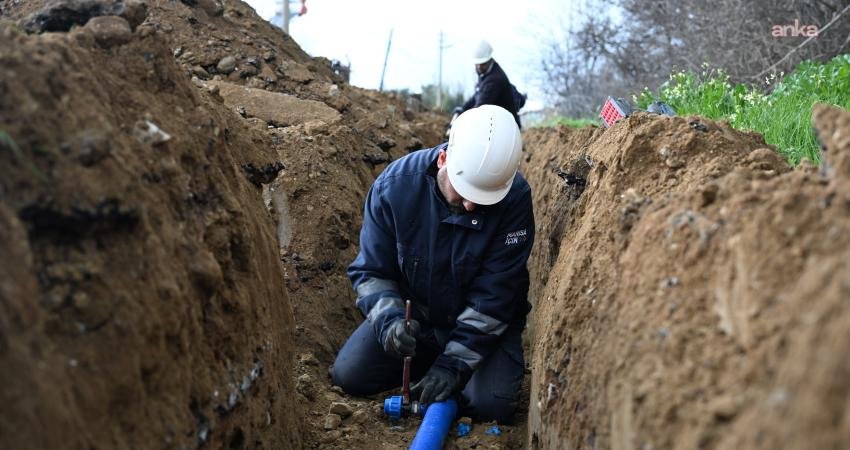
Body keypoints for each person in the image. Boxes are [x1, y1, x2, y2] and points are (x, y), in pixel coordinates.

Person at [331, 105, 534, 423]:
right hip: (418, 321)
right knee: (349, 376)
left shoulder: (515, 199)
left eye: (483, 198)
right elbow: (371, 272)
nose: (470, 205)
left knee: (490, 405)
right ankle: (431, 365)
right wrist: (390, 324)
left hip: (484, 330)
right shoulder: (394, 189)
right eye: (463, 192)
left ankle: (453, 374)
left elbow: (497, 294)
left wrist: (454, 364)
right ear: (443, 160)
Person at [458, 40, 525, 128]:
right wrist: (463, 108)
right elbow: (477, 95)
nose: (479, 67)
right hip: (496, 124)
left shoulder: (495, 79)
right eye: (477, 64)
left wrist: (463, 119)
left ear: (489, 60)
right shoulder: (485, 73)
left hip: (506, 127)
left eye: (482, 64)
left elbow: (480, 107)